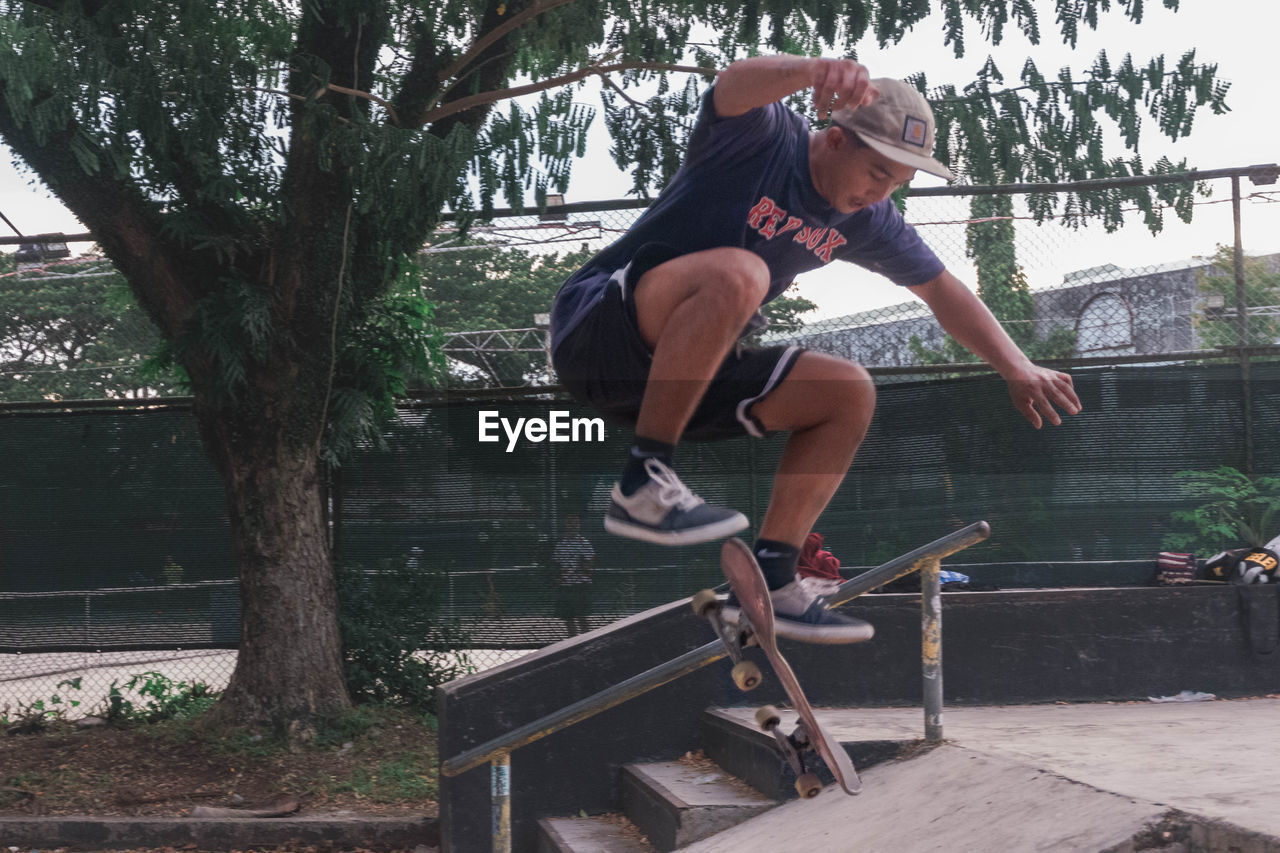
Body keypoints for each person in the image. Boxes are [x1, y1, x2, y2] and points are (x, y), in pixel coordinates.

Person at [550, 54, 1081, 642]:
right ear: (834, 140)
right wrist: (813, 70)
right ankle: (643, 481)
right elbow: (732, 86)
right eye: (876, 172)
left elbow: (942, 290)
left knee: (846, 391)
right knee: (741, 274)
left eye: (898, 185)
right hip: (600, 334)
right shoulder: (764, 139)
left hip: (678, 379)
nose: (880, 194)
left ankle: (774, 575)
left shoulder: (869, 220)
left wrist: (1017, 366)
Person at [551, 513, 596, 636]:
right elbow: (557, 565)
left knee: (582, 617)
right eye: (570, 523)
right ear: (565, 525)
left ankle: (586, 641)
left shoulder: (584, 543)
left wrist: (579, 568)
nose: (573, 526)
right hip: (566, 586)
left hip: (580, 585)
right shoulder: (560, 545)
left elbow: (589, 564)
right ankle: (572, 643)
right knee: (568, 617)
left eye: (575, 523)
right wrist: (559, 576)